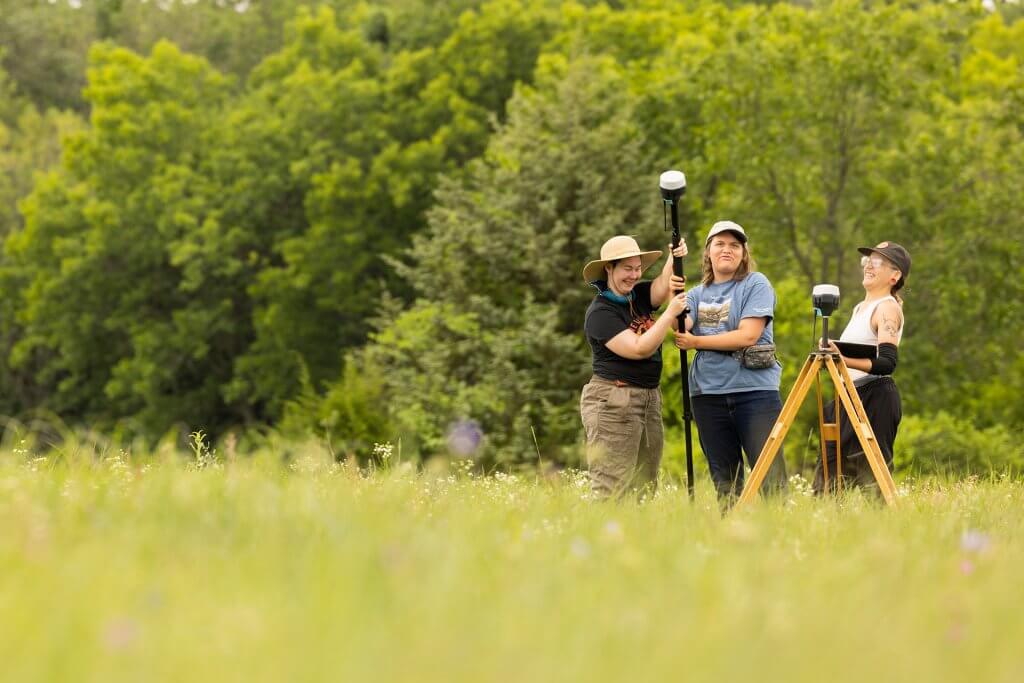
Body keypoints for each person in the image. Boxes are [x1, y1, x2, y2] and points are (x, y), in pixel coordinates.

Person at [672, 221, 787, 506]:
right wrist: (672, 292)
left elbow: (748, 335)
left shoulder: (755, 284)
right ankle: (732, 539)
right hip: (707, 395)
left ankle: (782, 539)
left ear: (743, 253)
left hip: (755, 393)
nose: (727, 249)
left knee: (770, 477)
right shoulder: (696, 295)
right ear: (708, 251)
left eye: (734, 245)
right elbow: (680, 325)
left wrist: (696, 343)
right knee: (725, 482)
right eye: (720, 244)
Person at [580, 234, 689, 499]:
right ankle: (599, 539)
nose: (634, 275)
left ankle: (634, 539)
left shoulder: (637, 295)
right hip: (613, 400)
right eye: (627, 268)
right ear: (609, 268)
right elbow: (639, 348)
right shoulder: (600, 313)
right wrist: (668, 315)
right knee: (610, 489)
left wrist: (676, 255)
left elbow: (664, 284)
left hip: (649, 398)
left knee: (644, 486)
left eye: (638, 268)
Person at [815, 241, 910, 496]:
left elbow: (887, 363)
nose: (868, 265)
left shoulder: (888, 307)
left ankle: (881, 533)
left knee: (872, 483)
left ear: (895, 275)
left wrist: (841, 359)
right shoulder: (860, 308)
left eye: (877, 262)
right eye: (867, 261)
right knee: (827, 477)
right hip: (847, 395)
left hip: (874, 396)